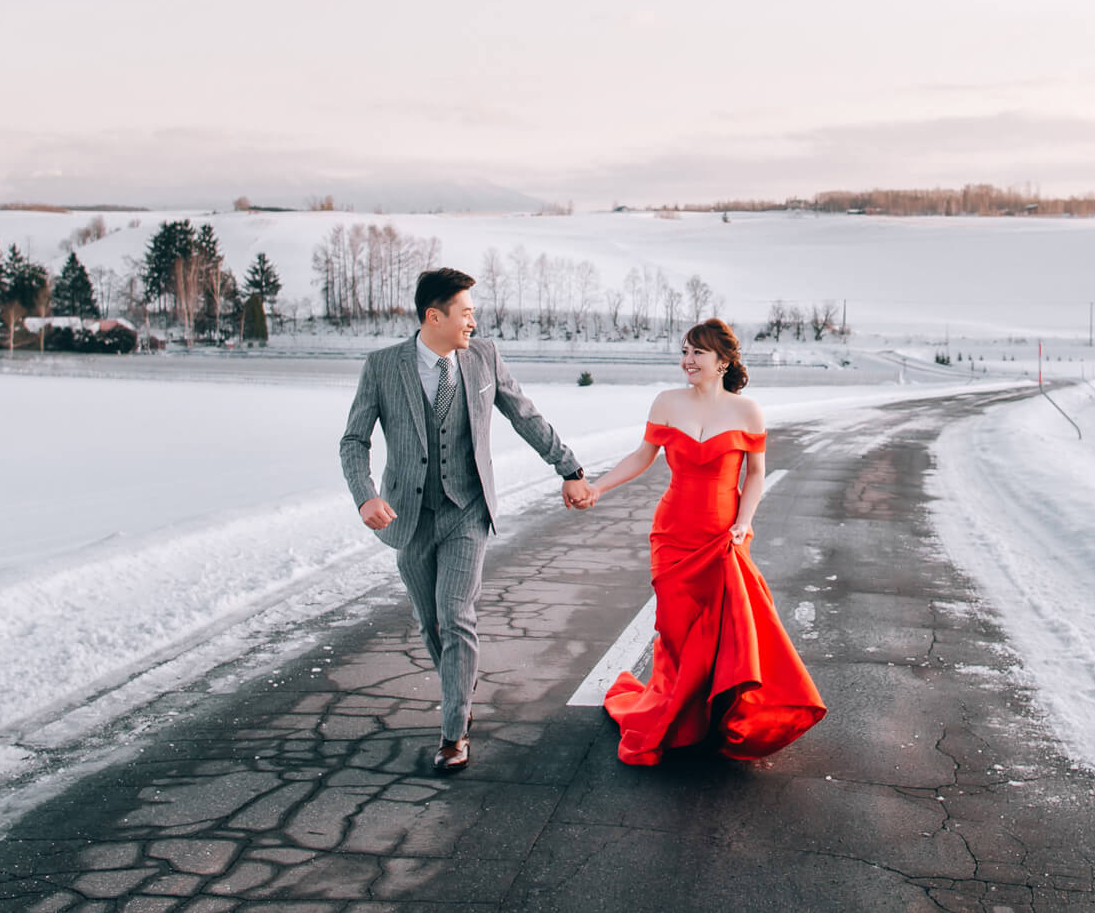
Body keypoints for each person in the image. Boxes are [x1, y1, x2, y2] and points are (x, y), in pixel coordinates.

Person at [339, 267, 592, 774]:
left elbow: (526, 416)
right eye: (466, 312)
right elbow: (353, 441)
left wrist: (571, 469)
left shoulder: (483, 360)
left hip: (467, 512)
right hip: (407, 516)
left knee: (456, 617)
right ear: (435, 316)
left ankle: (454, 731)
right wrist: (365, 497)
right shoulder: (383, 367)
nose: (473, 322)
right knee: (432, 623)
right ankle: (460, 681)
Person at [574, 318, 826, 764]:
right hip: (672, 533)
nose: (687, 361)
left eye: (697, 353)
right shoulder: (667, 402)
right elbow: (642, 456)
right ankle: (677, 716)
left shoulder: (747, 411)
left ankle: (712, 717)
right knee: (675, 629)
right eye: (685, 351)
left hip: (723, 533)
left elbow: (756, 474)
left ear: (722, 361)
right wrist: (597, 486)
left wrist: (743, 523)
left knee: (722, 631)